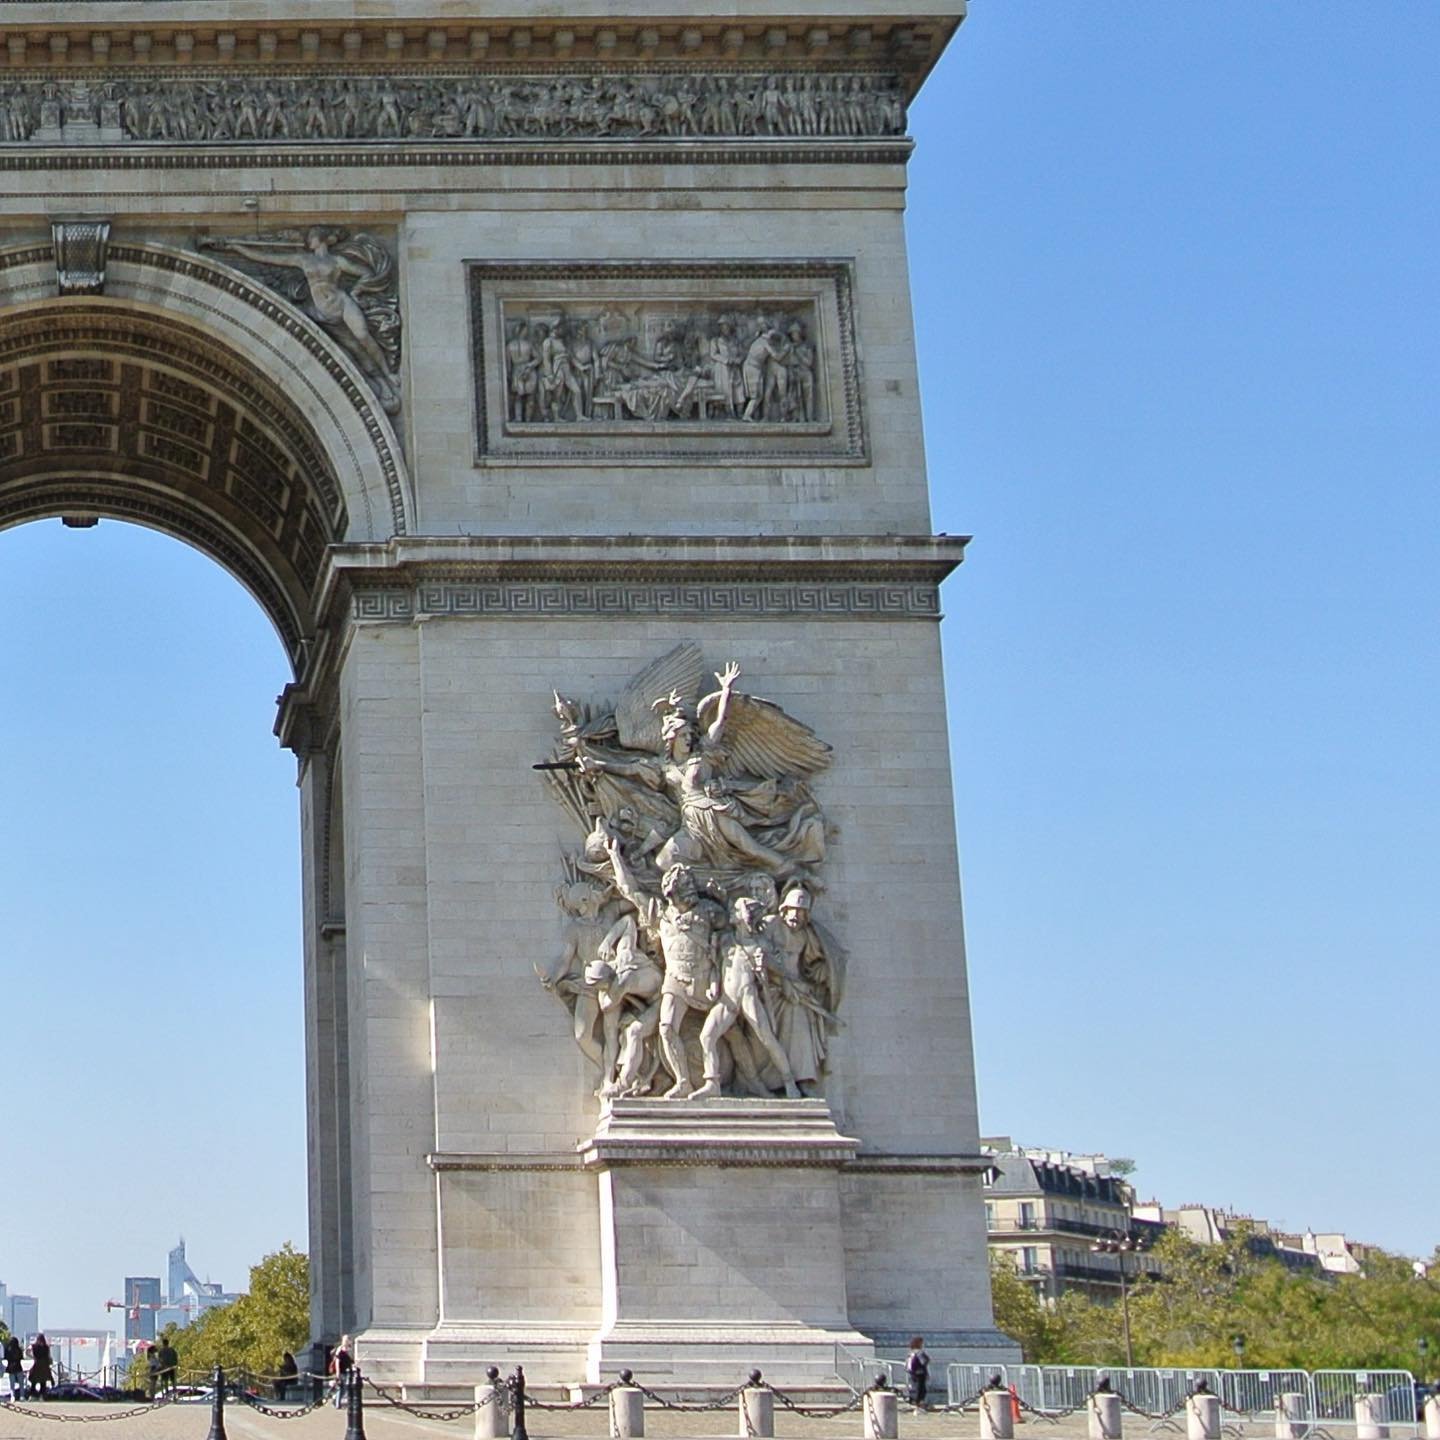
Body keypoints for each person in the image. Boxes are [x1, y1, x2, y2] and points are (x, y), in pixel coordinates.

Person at [906, 1336, 930, 1413]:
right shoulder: (919, 1352)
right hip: (920, 1373)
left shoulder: (911, 1352)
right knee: (921, 1390)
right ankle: (919, 1407)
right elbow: (924, 1362)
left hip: (912, 1373)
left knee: (915, 1390)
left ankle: (916, 1405)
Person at [330, 1334, 353, 1408]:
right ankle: (337, 1404)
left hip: (347, 1372)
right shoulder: (340, 1349)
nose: (347, 1341)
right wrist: (338, 1372)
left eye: (348, 1339)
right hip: (341, 1372)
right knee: (340, 1388)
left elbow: (351, 1361)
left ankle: (335, 1398)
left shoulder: (349, 1349)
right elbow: (337, 1361)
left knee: (345, 1388)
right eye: (346, 1340)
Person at [28, 1335, 52, 1400]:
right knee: (43, 1382)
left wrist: (32, 1357)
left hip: (37, 1364)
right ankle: (42, 1396)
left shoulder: (33, 1346)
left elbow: (27, 1351)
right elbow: (48, 1356)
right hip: (44, 1365)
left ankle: (32, 1396)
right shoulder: (46, 1347)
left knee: (34, 1381)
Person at [3, 1334, 24, 1401]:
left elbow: (5, 1358)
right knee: (21, 1383)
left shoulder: (8, 1350)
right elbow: (21, 1358)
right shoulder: (19, 1350)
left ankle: (13, 1396)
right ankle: (22, 1396)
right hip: (18, 1367)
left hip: (10, 1368)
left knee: (12, 1384)